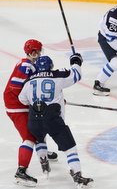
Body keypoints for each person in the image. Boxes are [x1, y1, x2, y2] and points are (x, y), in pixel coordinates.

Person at [18, 54, 94, 188]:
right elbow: (76, 75)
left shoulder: (28, 80)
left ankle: (43, 159)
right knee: (70, 148)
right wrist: (75, 61)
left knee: (39, 138)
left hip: (34, 119)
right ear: (51, 66)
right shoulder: (57, 75)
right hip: (52, 119)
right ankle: (77, 175)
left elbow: (22, 99)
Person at [3, 39, 57, 187]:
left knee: (37, 128)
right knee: (29, 137)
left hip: (21, 104)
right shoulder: (27, 66)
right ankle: (20, 172)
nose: (40, 54)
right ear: (33, 52)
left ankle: (43, 153)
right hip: (17, 107)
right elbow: (15, 88)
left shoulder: (28, 63)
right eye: (38, 51)